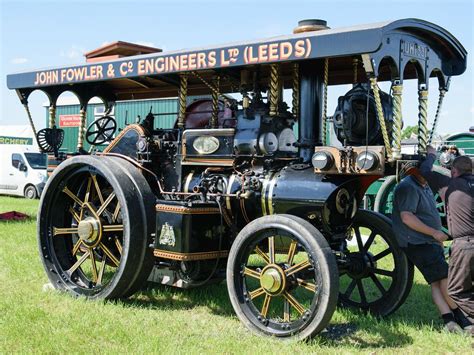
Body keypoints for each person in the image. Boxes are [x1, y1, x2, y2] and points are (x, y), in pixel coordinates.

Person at [392, 166, 467, 333]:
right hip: (418, 243)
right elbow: (407, 217)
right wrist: (434, 233)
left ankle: (449, 321)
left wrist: (436, 239)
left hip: (428, 242)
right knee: (446, 278)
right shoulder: (408, 187)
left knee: (435, 283)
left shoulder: (424, 185)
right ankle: (463, 318)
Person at [420, 145, 474, 332]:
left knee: (457, 290)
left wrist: (431, 155)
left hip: (465, 246)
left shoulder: (450, 185)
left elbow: (425, 170)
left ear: (453, 171)